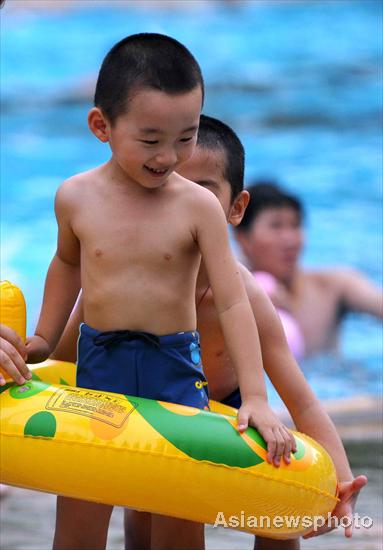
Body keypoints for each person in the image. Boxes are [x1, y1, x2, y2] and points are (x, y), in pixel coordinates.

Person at [1, 115, 367, 550]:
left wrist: (341, 483)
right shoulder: (116, 295)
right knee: (146, 521)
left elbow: (301, 399)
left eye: (201, 192)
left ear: (235, 209)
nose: (176, 202)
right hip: (151, 409)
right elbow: (51, 367)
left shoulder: (243, 297)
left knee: (281, 502)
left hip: (233, 415)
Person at [10, 33, 295, 550]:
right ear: (102, 126)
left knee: (177, 518)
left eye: (184, 138)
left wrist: (255, 396)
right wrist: (43, 341)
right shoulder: (75, 197)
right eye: (151, 140)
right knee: (81, 510)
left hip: (175, 373)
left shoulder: (198, 207)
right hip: (99, 368)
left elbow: (232, 301)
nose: (170, 157)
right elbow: (67, 265)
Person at [234, 182, 383, 357]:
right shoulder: (230, 294)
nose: (290, 240)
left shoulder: (334, 287)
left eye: (295, 225)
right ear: (243, 238)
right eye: (276, 226)